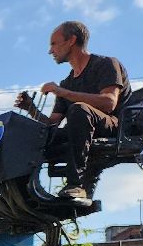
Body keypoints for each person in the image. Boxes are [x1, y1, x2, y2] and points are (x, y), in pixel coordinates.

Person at [13, 19, 129, 203]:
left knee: (79, 109)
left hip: (111, 126)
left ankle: (76, 185)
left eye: (54, 44)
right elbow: (51, 124)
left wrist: (62, 92)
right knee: (28, 133)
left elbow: (109, 103)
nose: (50, 50)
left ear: (71, 41)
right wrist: (31, 109)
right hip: (78, 128)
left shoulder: (106, 64)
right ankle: (20, 193)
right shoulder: (67, 83)